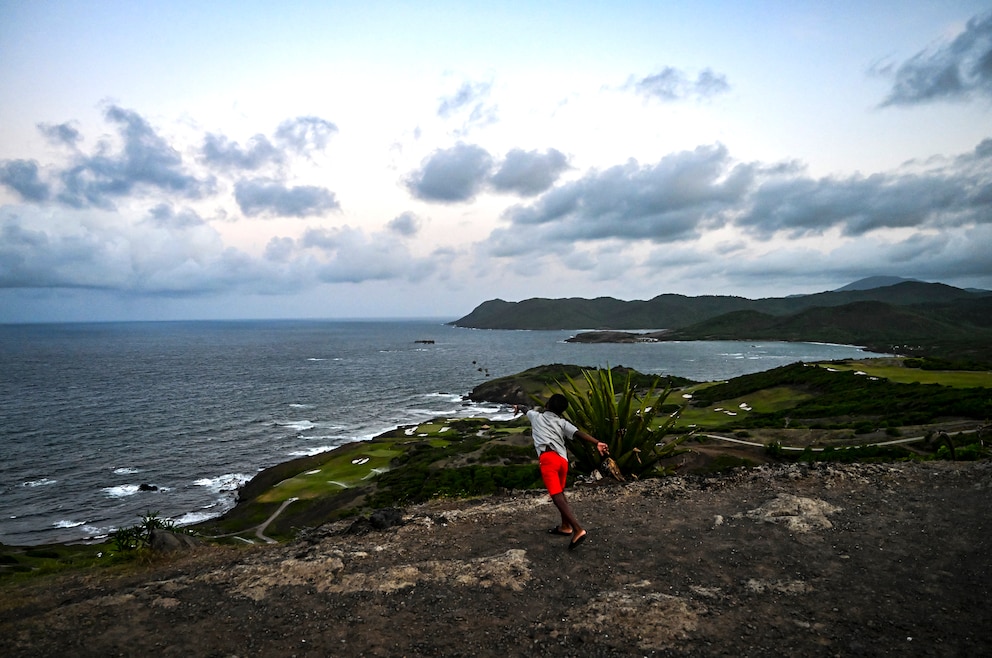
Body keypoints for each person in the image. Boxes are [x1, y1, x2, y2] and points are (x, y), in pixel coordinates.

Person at [515, 394, 608, 550]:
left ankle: (578, 529)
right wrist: (597, 442)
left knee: (556, 495)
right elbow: (579, 433)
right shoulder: (562, 422)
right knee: (561, 493)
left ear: (547, 405)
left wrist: (518, 407)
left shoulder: (536, 416)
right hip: (562, 461)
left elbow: (526, 410)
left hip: (548, 460)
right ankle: (565, 526)